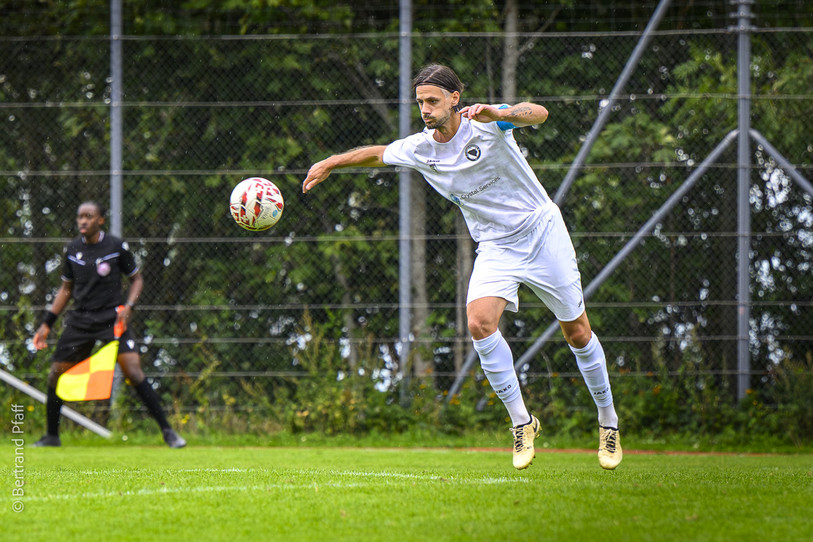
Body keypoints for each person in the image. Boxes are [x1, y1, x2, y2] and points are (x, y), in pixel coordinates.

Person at [303, 64, 621, 470]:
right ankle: (523, 423)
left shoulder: (486, 124)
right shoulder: (421, 147)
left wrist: (499, 113)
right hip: (495, 246)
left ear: (456, 98)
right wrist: (332, 161)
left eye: (433, 100)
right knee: (479, 323)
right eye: (420, 102)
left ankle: (608, 422)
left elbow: (538, 113)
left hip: (542, 231)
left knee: (577, 332)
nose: (425, 109)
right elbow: (378, 154)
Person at [32, 201, 186, 449]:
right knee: (55, 375)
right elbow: (65, 289)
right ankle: (52, 436)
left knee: (134, 371)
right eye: (80, 216)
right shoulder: (72, 249)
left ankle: (168, 432)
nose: (83, 221)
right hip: (80, 321)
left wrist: (128, 307)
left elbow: (136, 279)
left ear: (100, 220)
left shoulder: (116, 247)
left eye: (89, 216)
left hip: (112, 320)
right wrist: (46, 324)